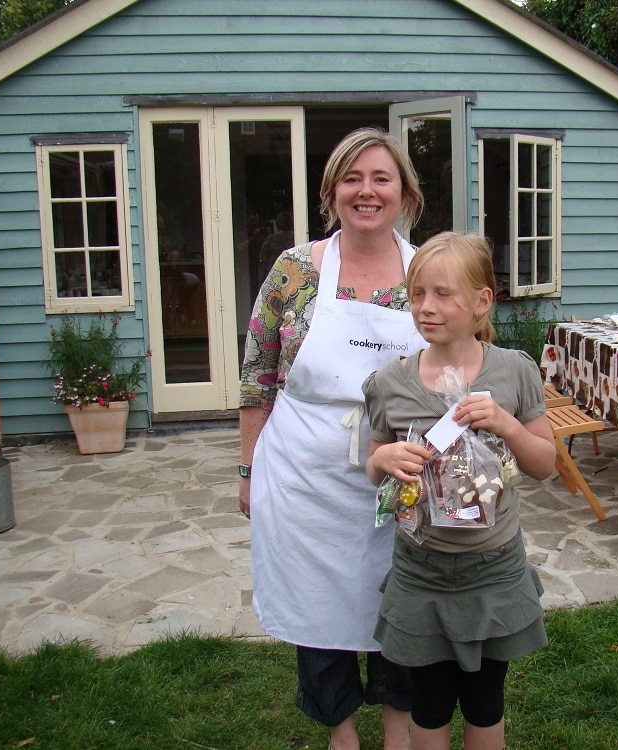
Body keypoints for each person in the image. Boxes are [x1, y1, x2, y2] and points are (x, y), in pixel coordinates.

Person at [239, 128, 427, 750]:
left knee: (403, 607)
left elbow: (460, 367)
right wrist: (248, 469)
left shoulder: (428, 270)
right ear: (332, 191)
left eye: (381, 179)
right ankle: (341, 733)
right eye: (352, 178)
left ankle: (398, 733)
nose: (366, 191)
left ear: (403, 193)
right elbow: (257, 377)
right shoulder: (294, 271)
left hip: (405, 474)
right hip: (305, 475)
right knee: (318, 609)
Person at [361, 232, 557, 750]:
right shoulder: (389, 383)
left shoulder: (514, 371)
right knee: (427, 705)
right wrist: (383, 459)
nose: (426, 307)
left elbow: (545, 465)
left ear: (481, 301)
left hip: (493, 566)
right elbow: (372, 463)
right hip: (421, 569)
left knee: (485, 702)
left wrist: (507, 424)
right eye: (417, 293)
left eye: (443, 294)